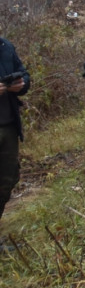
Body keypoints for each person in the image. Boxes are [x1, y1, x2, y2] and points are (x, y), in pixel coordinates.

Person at [0, 38, 29, 223]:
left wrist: (22, 84)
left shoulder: (5, 46)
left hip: (8, 126)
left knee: (7, 180)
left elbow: (24, 74)